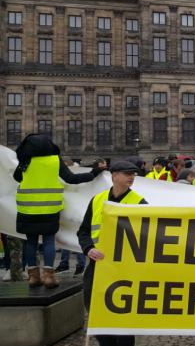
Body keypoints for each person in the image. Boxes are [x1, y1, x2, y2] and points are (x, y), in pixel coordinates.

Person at [14, 134, 102, 288]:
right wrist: (93, 173)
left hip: (27, 208)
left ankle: (33, 277)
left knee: (31, 242)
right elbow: (71, 179)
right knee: (49, 241)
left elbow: (17, 177)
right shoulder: (55, 160)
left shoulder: (25, 160)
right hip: (50, 207)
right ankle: (49, 277)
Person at [77, 160, 146, 346]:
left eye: (134, 174)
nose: (132, 177)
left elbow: (147, 237)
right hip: (97, 266)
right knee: (96, 312)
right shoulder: (97, 200)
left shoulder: (139, 202)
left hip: (124, 270)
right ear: (114, 175)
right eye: (127, 174)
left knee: (123, 320)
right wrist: (89, 249)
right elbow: (83, 232)